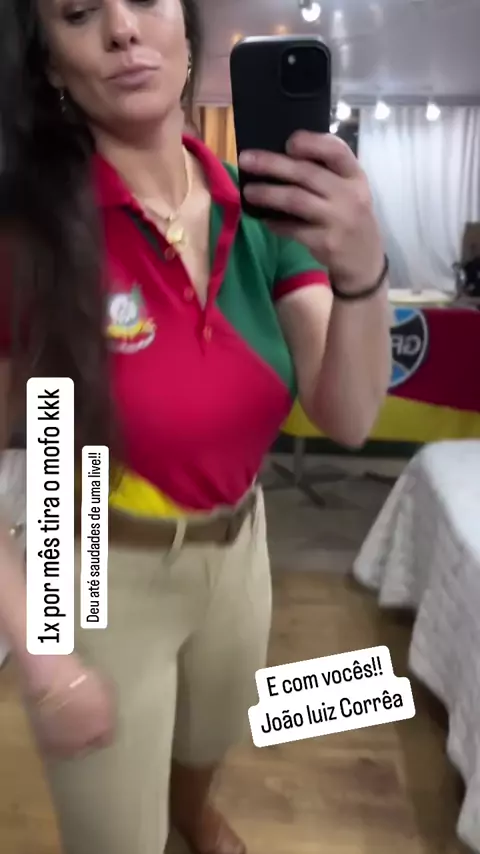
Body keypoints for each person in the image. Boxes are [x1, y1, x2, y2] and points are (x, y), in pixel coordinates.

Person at [0, 1, 391, 852]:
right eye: (79, 13)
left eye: (146, 0)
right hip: (92, 560)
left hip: (242, 545)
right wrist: (41, 651)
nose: (122, 29)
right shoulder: (31, 239)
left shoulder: (262, 211)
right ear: (51, 64)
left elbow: (349, 416)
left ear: (186, 29)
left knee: (211, 732)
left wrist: (365, 271)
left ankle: (192, 810)